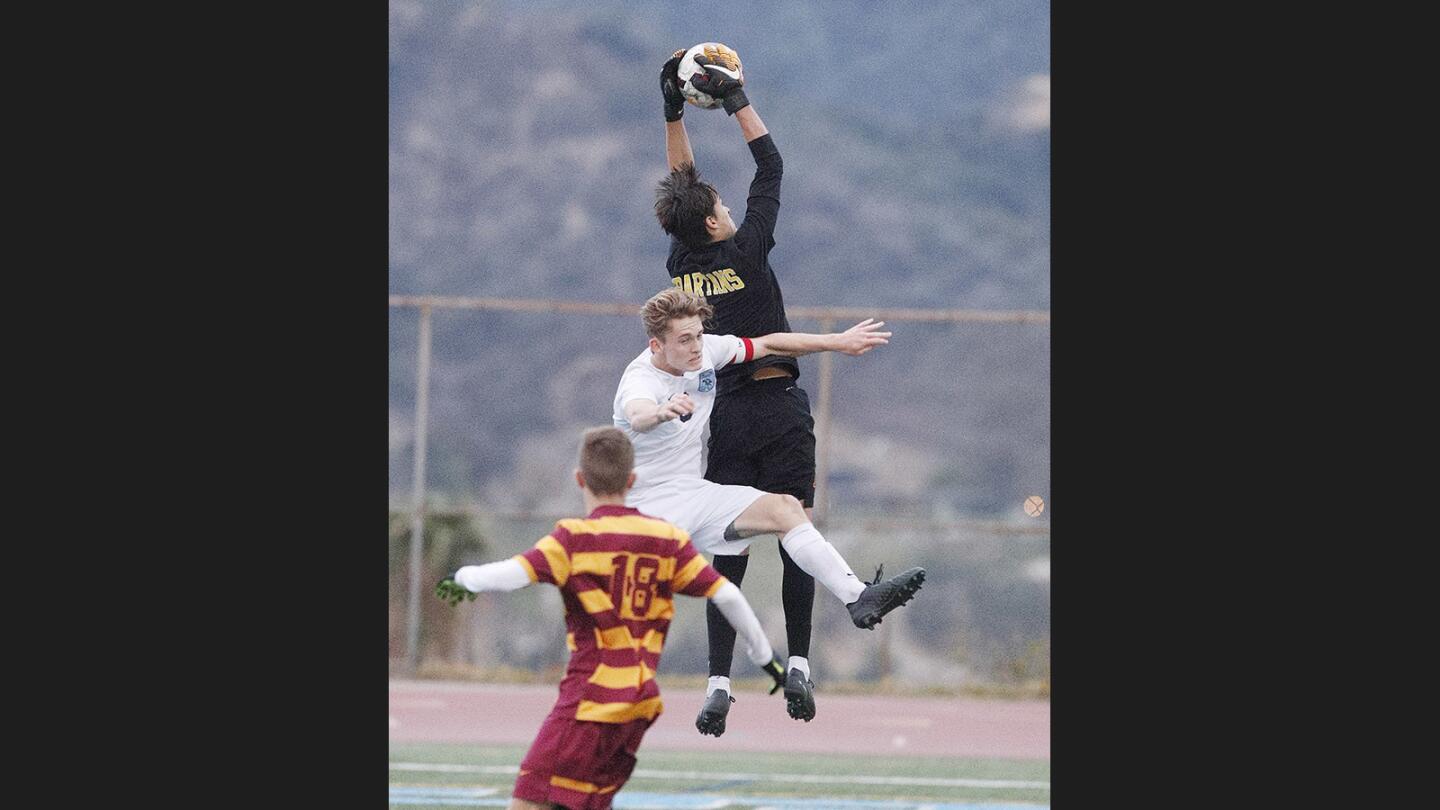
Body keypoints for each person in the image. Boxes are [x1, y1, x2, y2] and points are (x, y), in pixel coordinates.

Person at [654, 46, 926, 734]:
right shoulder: (745, 249)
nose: (721, 203)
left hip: (724, 416)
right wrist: (738, 98)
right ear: (717, 220)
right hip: (776, 404)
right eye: (718, 203)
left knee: (730, 549)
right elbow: (769, 165)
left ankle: (718, 682)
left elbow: (681, 187)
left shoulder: (682, 262)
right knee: (794, 529)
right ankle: (800, 664)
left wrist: (672, 109)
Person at [613, 287, 925, 737]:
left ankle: (858, 598)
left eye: (698, 336)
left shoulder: (707, 354)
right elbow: (637, 412)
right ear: (656, 345)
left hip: (695, 495)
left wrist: (836, 342)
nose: (696, 347)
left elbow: (772, 344)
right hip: (649, 510)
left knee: (786, 509)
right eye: (684, 340)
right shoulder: (639, 380)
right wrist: (661, 412)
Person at [435, 427, 788, 810]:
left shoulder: (574, 538)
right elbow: (728, 594)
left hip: (589, 701)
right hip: (639, 706)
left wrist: (465, 578)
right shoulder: (666, 539)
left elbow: (512, 575)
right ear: (632, 481)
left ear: (579, 479)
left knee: (528, 801)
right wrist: (765, 658)